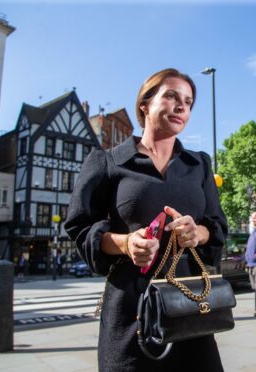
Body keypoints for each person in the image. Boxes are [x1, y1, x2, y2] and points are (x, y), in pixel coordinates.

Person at [64, 68, 228, 372]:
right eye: (171, 96)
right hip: (131, 313)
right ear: (145, 104)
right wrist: (125, 243)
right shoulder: (107, 163)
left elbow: (216, 226)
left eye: (189, 102)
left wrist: (199, 233)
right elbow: (79, 228)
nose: (182, 106)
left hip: (190, 307)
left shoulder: (199, 165)